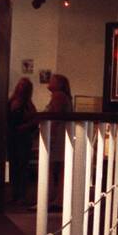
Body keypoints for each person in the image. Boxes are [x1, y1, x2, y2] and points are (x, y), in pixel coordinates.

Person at [6, 77, 37, 205]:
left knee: (22, 167)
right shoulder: (11, 101)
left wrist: (26, 127)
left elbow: (34, 121)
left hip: (23, 138)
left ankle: (22, 196)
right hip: (12, 137)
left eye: (24, 85)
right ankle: (15, 194)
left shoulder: (28, 104)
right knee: (14, 166)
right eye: (20, 84)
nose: (21, 87)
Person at [45, 73, 72, 209]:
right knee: (60, 166)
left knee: (56, 167)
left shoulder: (59, 96)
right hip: (62, 132)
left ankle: (55, 198)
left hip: (59, 134)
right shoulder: (63, 96)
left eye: (52, 80)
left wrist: (52, 134)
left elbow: (55, 117)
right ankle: (58, 197)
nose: (49, 82)